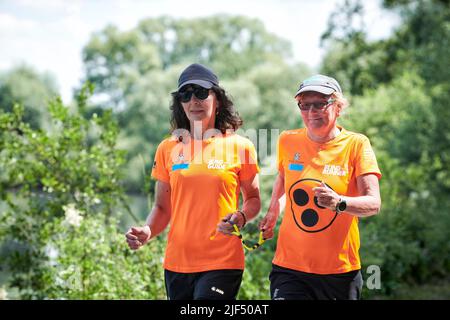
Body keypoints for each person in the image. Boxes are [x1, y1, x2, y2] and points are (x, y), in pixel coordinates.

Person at [125, 63, 261, 300]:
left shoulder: (241, 146)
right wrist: (147, 230)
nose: (193, 100)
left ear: (217, 100)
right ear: (180, 103)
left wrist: (240, 217)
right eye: (185, 95)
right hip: (177, 264)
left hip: (222, 261)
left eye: (200, 92)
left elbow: (253, 199)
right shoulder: (168, 148)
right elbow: (161, 208)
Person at [260, 74, 382, 300]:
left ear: (338, 107)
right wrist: (273, 210)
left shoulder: (356, 144)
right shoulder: (288, 140)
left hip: (339, 273)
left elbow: (374, 204)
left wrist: (339, 202)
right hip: (290, 267)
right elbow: (283, 179)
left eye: (319, 104)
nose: (311, 112)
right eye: (304, 105)